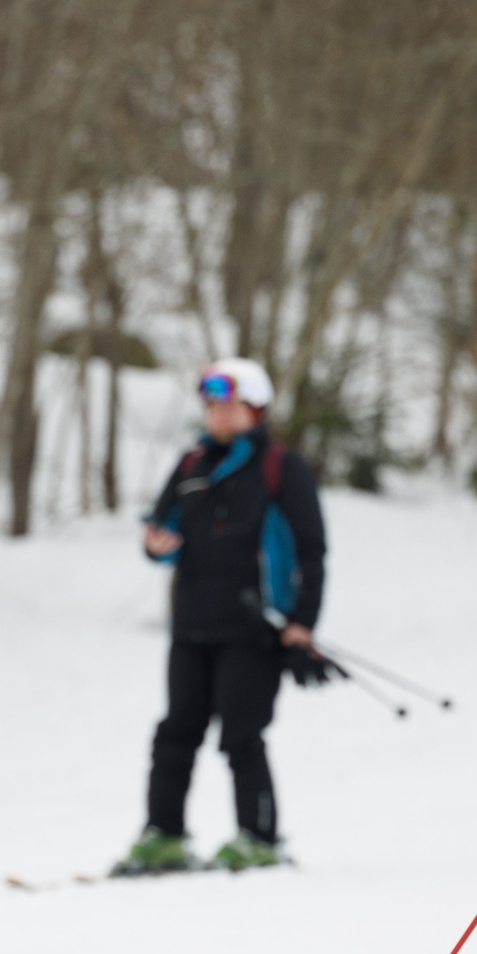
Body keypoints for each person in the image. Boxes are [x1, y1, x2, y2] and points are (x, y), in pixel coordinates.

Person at [116, 358, 331, 875]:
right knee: (175, 732)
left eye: (230, 405)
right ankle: (164, 836)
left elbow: (312, 550)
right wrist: (155, 544)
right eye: (213, 405)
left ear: (255, 409)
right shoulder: (192, 464)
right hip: (191, 625)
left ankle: (259, 838)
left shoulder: (283, 467)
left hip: (254, 629)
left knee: (241, 735)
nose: (219, 414)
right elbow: (162, 526)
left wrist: (303, 620)